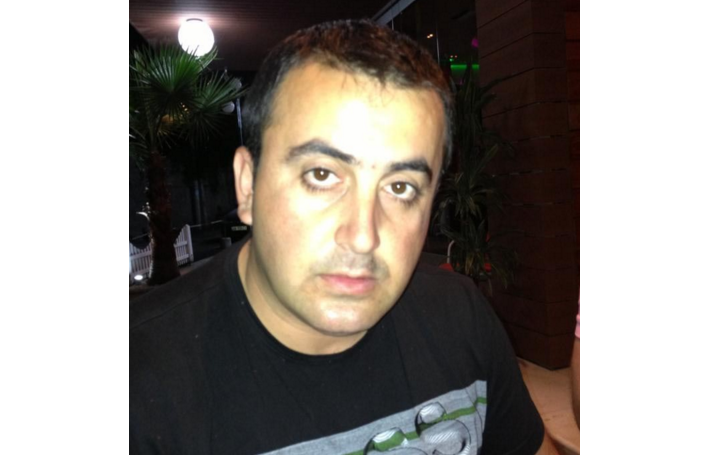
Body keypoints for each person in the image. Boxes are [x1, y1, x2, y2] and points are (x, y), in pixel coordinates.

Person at [131, 19, 553, 454]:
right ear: (248, 185)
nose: (363, 237)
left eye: (400, 187)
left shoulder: (459, 318)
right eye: (321, 175)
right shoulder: (137, 383)